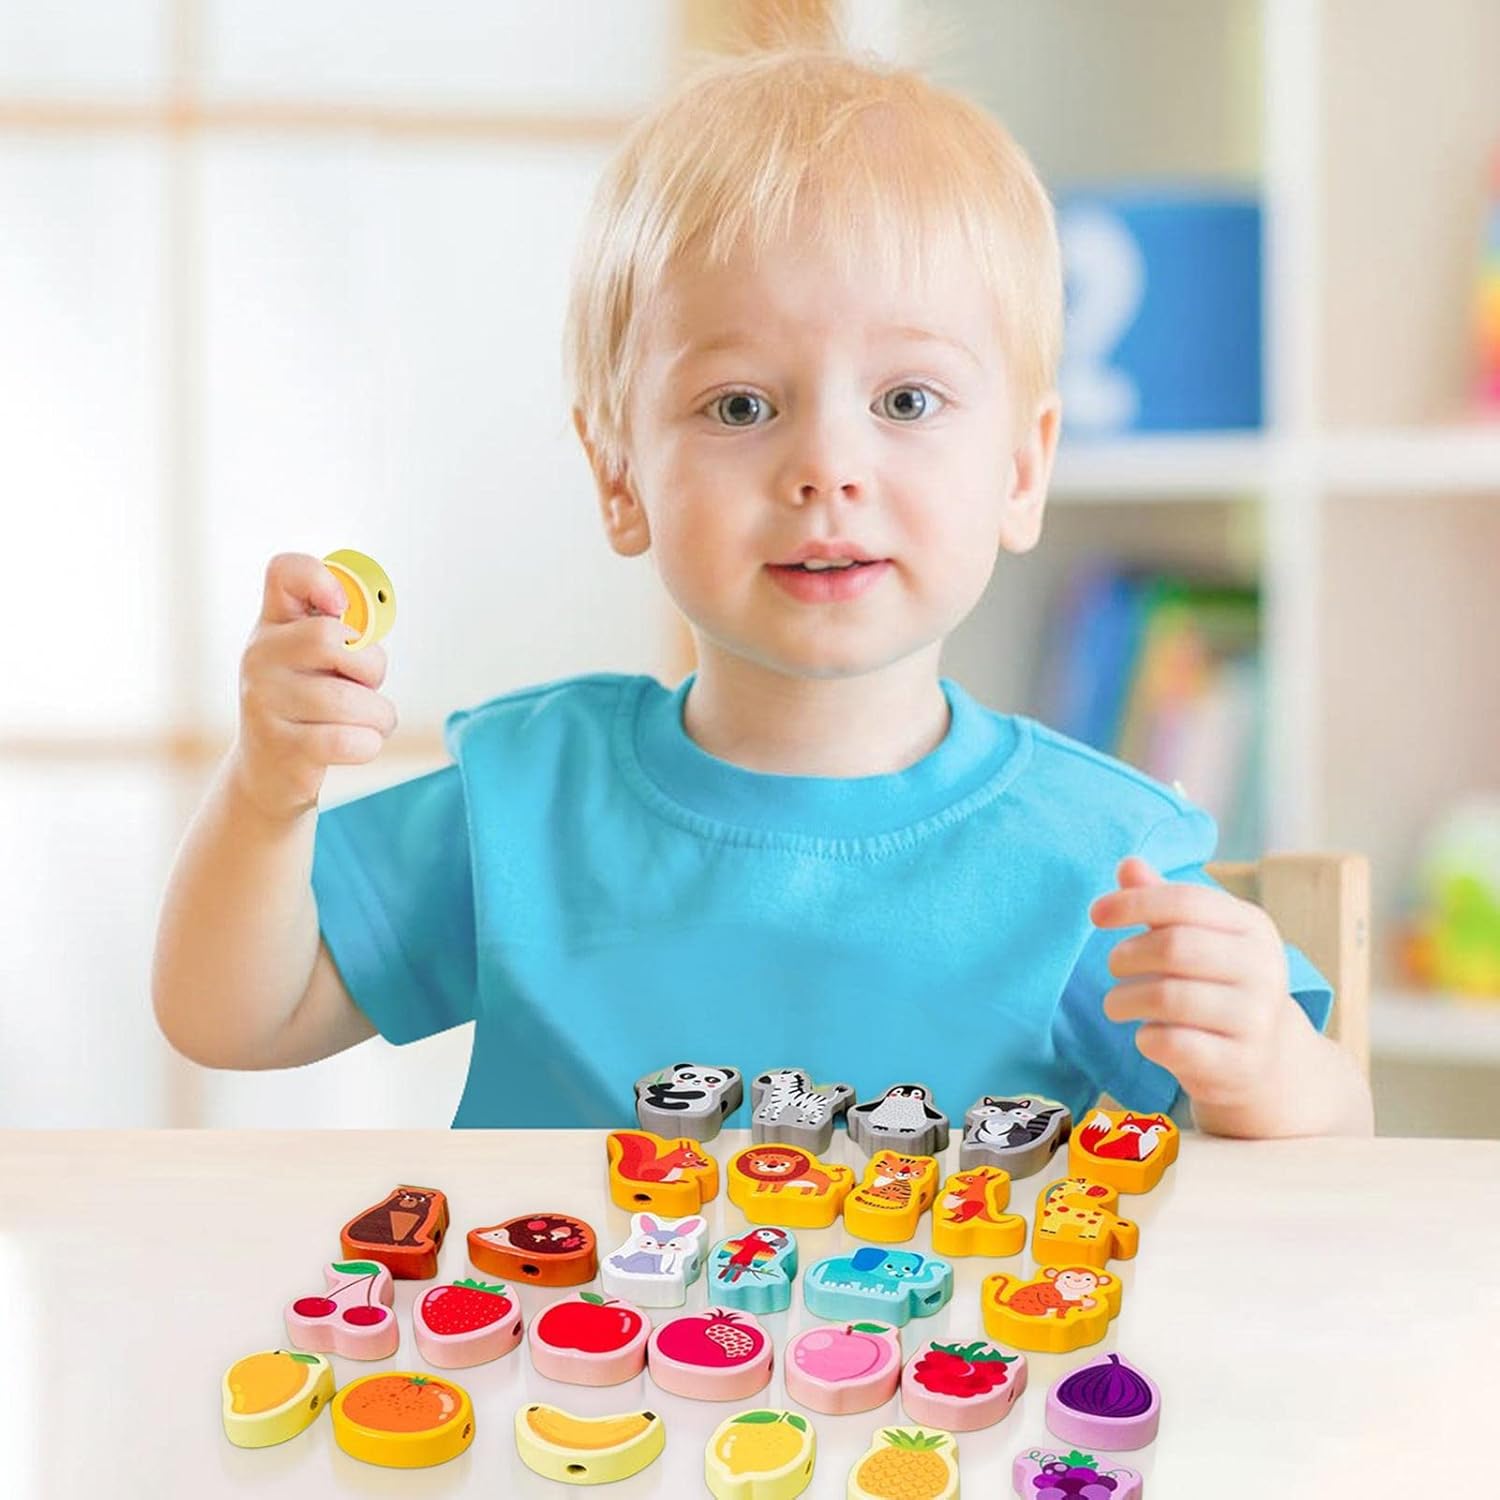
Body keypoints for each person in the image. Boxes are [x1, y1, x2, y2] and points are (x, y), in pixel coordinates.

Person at [151, 34, 1373, 1139]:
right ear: (619, 474)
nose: (826, 469)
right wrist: (269, 793)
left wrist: (1266, 1063)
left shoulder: (1100, 862)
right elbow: (233, 1020)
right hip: (556, 1385)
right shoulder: (526, 800)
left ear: (1021, 466)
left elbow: (1336, 1146)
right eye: (741, 405)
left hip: (938, 1389)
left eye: (906, 401)